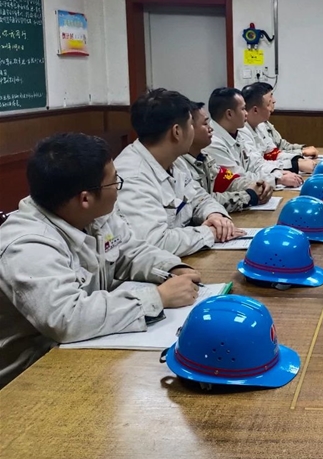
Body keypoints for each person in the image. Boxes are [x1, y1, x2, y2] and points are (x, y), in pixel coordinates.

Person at [0, 133, 201, 388]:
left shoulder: (92, 214)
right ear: (85, 198)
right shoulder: (26, 245)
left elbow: (128, 250)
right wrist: (157, 298)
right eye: (114, 181)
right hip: (31, 378)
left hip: (88, 348)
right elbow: (66, 317)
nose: (118, 188)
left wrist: (171, 267)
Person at [115, 89, 241, 257]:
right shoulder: (133, 176)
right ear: (177, 132)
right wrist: (209, 233)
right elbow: (155, 242)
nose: (193, 130)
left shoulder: (175, 161)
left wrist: (215, 215)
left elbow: (200, 198)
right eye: (190, 124)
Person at [175, 101, 272, 213]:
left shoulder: (205, 158)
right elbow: (202, 201)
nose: (210, 128)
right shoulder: (180, 165)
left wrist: (255, 185)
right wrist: (249, 196)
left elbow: (228, 180)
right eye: (205, 124)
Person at [205, 87, 303, 189]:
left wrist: (278, 173)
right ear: (229, 114)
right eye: (243, 109)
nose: (246, 113)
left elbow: (255, 164)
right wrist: (276, 179)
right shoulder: (213, 143)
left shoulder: (236, 132)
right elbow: (237, 179)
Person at [238, 82, 316, 175]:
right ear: (255, 110)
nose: (274, 103)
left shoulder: (261, 125)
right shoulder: (241, 132)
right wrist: (295, 165)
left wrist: (297, 159)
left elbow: (273, 153)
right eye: (269, 102)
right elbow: (256, 165)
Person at [258, 83, 318, 159]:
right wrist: (301, 152)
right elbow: (270, 156)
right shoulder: (253, 128)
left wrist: (302, 149)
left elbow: (282, 145)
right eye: (270, 97)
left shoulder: (265, 123)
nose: (274, 101)